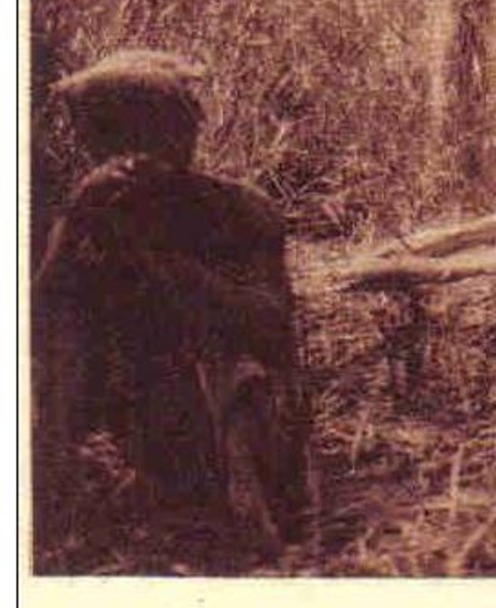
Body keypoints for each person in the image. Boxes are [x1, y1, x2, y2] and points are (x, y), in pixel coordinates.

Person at [33, 50, 311, 558]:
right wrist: (75, 227)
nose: (135, 160)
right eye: (113, 143)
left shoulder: (240, 210)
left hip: (228, 419)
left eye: (151, 138)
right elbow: (41, 327)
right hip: (133, 412)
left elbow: (270, 327)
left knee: (237, 372)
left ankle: (241, 516)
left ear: (185, 135)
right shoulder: (93, 213)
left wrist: (162, 262)